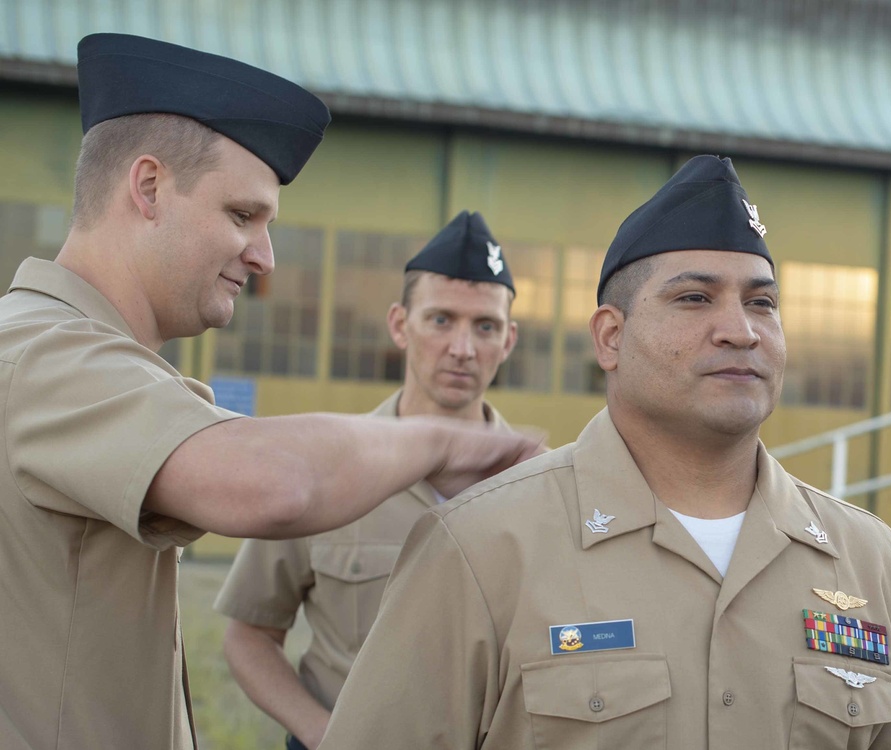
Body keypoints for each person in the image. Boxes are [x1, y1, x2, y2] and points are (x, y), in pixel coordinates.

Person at [317, 155, 891, 749]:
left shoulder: (872, 563)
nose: (740, 330)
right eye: (694, 298)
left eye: (762, 303)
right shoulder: (483, 547)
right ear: (610, 337)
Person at [0, 34, 541, 750]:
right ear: (149, 187)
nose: (264, 256)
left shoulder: (76, 354)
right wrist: (449, 442)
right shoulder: (43, 351)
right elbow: (275, 484)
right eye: (241, 216)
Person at [214, 211, 519, 750]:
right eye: (442, 320)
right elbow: (249, 633)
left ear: (509, 340)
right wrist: (322, 735)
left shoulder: (534, 483)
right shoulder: (328, 470)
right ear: (400, 325)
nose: (463, 348)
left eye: (485, 326)